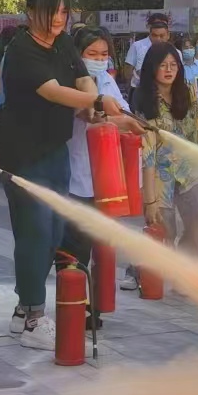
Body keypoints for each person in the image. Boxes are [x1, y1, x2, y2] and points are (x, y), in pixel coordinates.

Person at [0, 0, 102, 349]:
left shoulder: (64, 43)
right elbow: (54, 92)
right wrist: (94, 100)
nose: (59, 18)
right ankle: (34, 317)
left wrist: (91, 98)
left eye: (63, 11)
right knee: (35, 233)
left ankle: (23, 307)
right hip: (25, 155)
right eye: (51, 11)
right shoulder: (21, 50)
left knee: (55, 233)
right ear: (30, 12)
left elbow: (83, 78)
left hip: (57, 150)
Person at [61, 27, 140, 292]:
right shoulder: (69, 80)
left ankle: (90, 302)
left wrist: (128, 121)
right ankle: (72, 298)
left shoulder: (106, 80)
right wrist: (120, 120)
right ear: (78, 54)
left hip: (103, 177)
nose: (99, 59)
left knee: (99, 244)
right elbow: (90, 114)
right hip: (74, 174)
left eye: (104, 54)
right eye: (92, 54)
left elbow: (123, 111)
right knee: (75, 244)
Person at [134, 42, 198, 255]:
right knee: (163, 234)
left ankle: (186, 270)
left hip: (190, 174)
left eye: (173, 65)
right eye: (163, 65)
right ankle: (147, 270)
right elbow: (147, 154)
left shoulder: (189, 93)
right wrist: (150, 200)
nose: (169, 70)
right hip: (160, 178)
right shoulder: (144, 101)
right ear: (152, 68)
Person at [125, 14, 171, 91]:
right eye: (157, 24)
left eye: (163, 24)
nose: (160, 26)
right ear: (149, 27)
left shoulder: (174, 51)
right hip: (140, 90)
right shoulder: (137, 46)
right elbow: (128, 69)